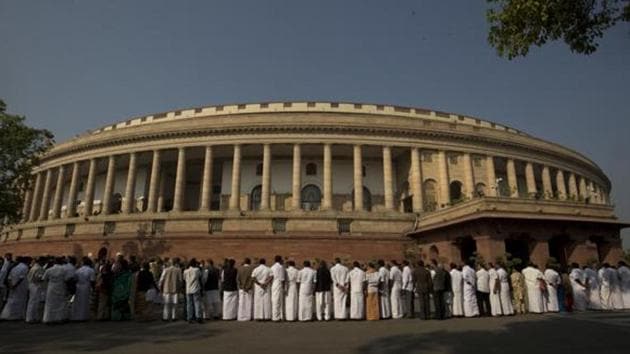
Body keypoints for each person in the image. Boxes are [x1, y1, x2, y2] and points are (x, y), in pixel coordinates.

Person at [42, 257, 73, 323]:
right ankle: (59, 318)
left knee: (50, 303)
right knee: (60, 303)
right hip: (61, 286)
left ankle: (49, 318)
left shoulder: (49, 270)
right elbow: (67, 279)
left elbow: (44, 278)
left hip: (51, 287)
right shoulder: (64, 270)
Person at [0, 256, 29, 320]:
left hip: (13, 286)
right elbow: (21, 278)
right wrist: (15, 285)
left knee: (12, 300)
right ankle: (17, 315)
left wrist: (11, 285)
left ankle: (7, 315)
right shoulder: (25, 267)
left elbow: (9, 278)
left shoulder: (14, 268)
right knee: (21, 300)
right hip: (21, 287)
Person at [70, 257, 95, 321]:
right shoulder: (91, 270)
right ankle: (84, 316)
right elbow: (92, 280)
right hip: (86, 286)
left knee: (78, 302)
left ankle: (77, 316)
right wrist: (93, 288)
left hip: (78, 286)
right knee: (85, 302)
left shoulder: (78, 270)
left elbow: (75, 279)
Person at [26, 257, 46, 323]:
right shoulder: (38, 268)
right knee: (35, 302)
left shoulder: (34, 267)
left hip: (32, 285)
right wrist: (44, 278)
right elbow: (37, 278)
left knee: (32, 301)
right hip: (36, 285)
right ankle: (32, 318)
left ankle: (31, 317)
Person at [183, 259, 203, 323]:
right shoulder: (197, 270)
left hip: (188, 289)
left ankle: (189, 317)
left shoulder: (185, 271)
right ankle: (198, 317)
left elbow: (184, 279)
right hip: (195, 288)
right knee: (197, 303)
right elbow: (200, 276)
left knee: (189, 304)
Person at [270, 256, 286, 322]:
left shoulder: (272, 267)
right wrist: (284, 287)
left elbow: (271, 276)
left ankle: (275, 315)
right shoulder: (280, 267)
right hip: (278, 284)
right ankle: (277, 316)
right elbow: (282, 278)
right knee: (278, 300)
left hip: (274, 284)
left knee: (274, 300)